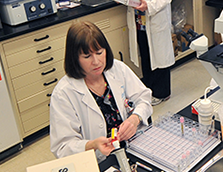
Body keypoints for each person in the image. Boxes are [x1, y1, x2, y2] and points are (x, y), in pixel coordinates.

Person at [49, 21, 152, 162]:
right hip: (97, 162)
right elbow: (62, 147)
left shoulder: (117, 69)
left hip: (133, 147)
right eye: (87, 56)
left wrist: (135, 118)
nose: (96, 62)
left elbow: (144, 98)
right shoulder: (64, 93)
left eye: (99, 52)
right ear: (75, 59)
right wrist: (92, 145)